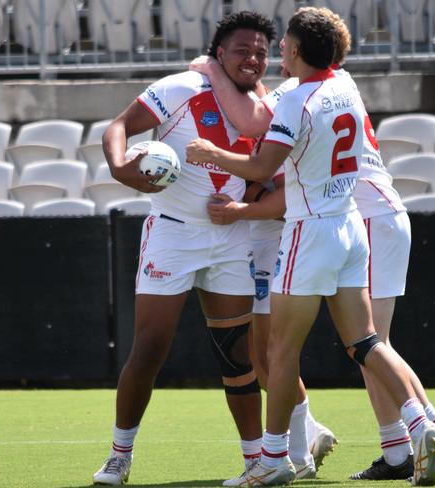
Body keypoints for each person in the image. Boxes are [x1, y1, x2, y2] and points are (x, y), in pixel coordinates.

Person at [190, 5, 435, 482]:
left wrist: (211, 152)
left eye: (283, 44)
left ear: (296, 49)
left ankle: (273, 461)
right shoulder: (345, 85)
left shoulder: (296, 101)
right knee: (367, 343)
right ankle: (422, 428)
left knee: (279, 350)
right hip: (351, 226)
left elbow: (259, 165)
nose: (277, 49)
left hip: (312, 229)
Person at [92, 11, 283, 486]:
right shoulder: (180, 87)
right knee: (150, 348)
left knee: (235, 354)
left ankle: (256, 460)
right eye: (242, 49)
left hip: (231, 237)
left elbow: (268, 173)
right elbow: (117, 128)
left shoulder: (268, 108)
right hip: (173, 234)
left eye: (261, 52)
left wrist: (247, 200)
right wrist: (121, 169)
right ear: (220, 53)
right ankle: (119, 455)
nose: (252, 59)